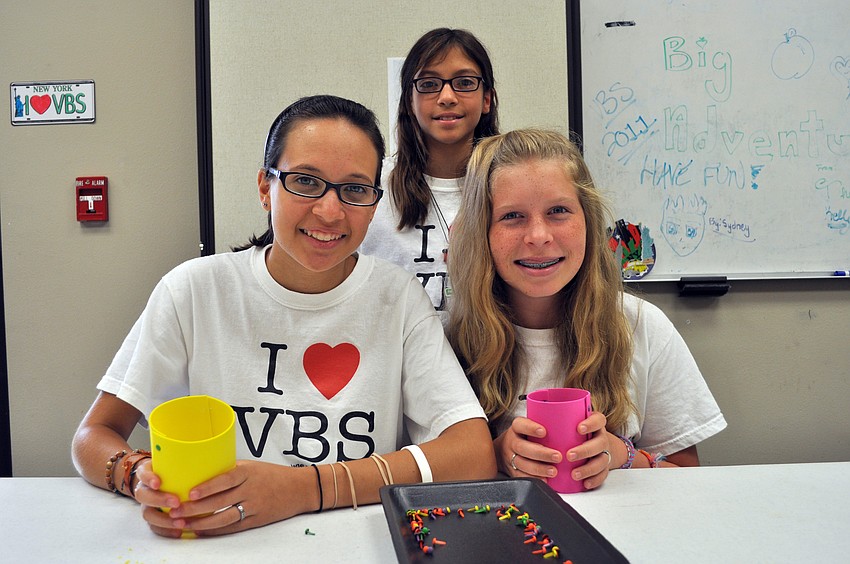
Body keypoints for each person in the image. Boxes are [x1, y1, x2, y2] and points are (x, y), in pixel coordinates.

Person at [72, 95, 496, 537]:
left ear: (374, 204)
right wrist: (136, 475)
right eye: (306, 182)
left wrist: (302, 489)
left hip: (354, 543)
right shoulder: (194, 291)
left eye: (354, 189)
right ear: (265, 188)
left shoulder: (398, 298)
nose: (329, 211)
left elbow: (472, 453)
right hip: (216, 541)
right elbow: (94, 434)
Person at [447, 129, 726, 489]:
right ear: (480, 231)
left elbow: (688, 480)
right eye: (512, 216)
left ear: (588, 221)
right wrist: (495, 454)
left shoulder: (641, 326)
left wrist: (621, 454)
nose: (538, 236)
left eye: (558, 211)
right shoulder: (448, 339)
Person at [359, 28, 499, 315]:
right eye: (429, 84)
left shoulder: (509, 185)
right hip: (396, 343)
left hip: (489, 343)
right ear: (409, 101)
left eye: (464, 82)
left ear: (486, 99)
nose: (447, 97)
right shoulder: (371, 186)